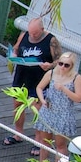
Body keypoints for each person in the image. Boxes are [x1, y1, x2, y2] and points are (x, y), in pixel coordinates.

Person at [7, 17, 60, 152]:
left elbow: (59, 60)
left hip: (39, 79)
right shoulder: (24, 35)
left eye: (35, 33)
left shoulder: (51, 40)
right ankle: (18, 133)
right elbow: (16, 48)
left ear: (42, 30)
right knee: (17, 105)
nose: (32, 36)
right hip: (22, 75)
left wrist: (50, 65)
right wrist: (13, 54)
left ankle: (38, 140)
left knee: (37, 109)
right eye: (30, 33)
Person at [33, 51, 81, 162]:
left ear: (72, 66)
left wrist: (64, 89)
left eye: (66, 65)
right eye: (60, 63)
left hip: (64, 113)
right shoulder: (51, 73)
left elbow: (79, 98)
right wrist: (42, 100)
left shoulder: (76, 77)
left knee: (60, 145)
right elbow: (39, 87)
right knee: (45, 142)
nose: (62, 67)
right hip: (48, 111)